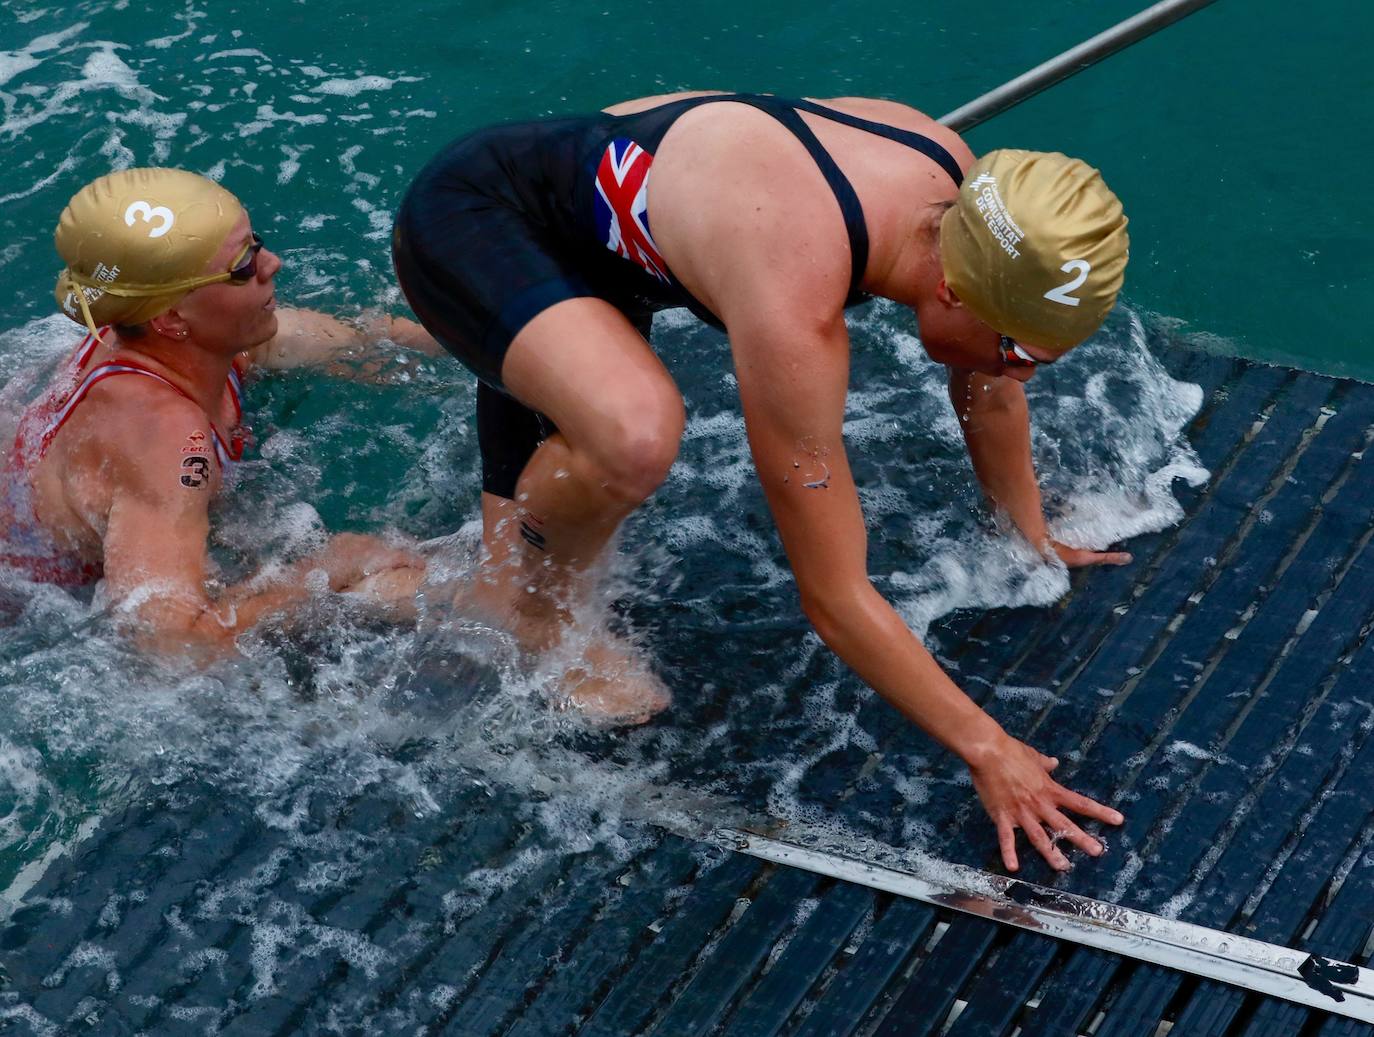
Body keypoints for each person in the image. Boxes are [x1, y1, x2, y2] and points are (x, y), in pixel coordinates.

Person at [391, 91, 1132, 873]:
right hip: (479, 218)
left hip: (600, 236)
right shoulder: (796, 290)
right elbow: (835, 596)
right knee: (636, 434)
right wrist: (989, 748)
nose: (1016, 369)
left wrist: (1028, 533)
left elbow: (993, 382)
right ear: (950, 288)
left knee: (605, 410)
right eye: (1018, 347)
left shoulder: (969, 198)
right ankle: (526, 608)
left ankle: (467, 354)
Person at [3, 167, 443, 654]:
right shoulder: (163, 436)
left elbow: (374, 344)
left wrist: (509, 335)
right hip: (36, 612)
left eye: (255, 244)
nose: (271, 263)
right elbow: (169, 645)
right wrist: (319, 572)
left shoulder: (207, 339)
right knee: (408, 589)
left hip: (73, 511)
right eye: (242, 267)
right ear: (171, 317)